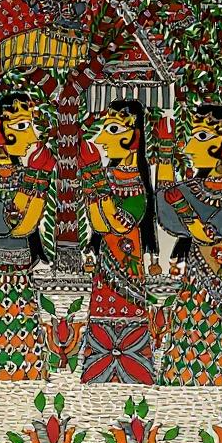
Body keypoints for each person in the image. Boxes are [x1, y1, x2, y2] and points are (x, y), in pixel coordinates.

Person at [155, 104, 222, 386]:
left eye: (201, 137)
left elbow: (207, 234)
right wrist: (165, 153)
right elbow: (164, 210)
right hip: (194, 282)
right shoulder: (193, 188)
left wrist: (182, 207)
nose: (189, 148)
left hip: (221, 282)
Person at [0, 93, 54, 380]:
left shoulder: (23, 172)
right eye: (22, 126)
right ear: (1, 133)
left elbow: (28, 225)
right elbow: (5, 225)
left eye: (30, 125)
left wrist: (38, 180)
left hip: (21, 264)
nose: (33, 136)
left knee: (23, 325)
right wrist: (33, 181)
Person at [78, 100, 157, 384]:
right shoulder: (108, 176)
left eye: (111, 130)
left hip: (128, 264)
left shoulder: (136, 180)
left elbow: (121, 223)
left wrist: (95, 176)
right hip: (106, 266)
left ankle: (133, 369)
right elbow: (99, 224)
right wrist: (93, 176)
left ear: (133, 136)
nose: (101, 140)